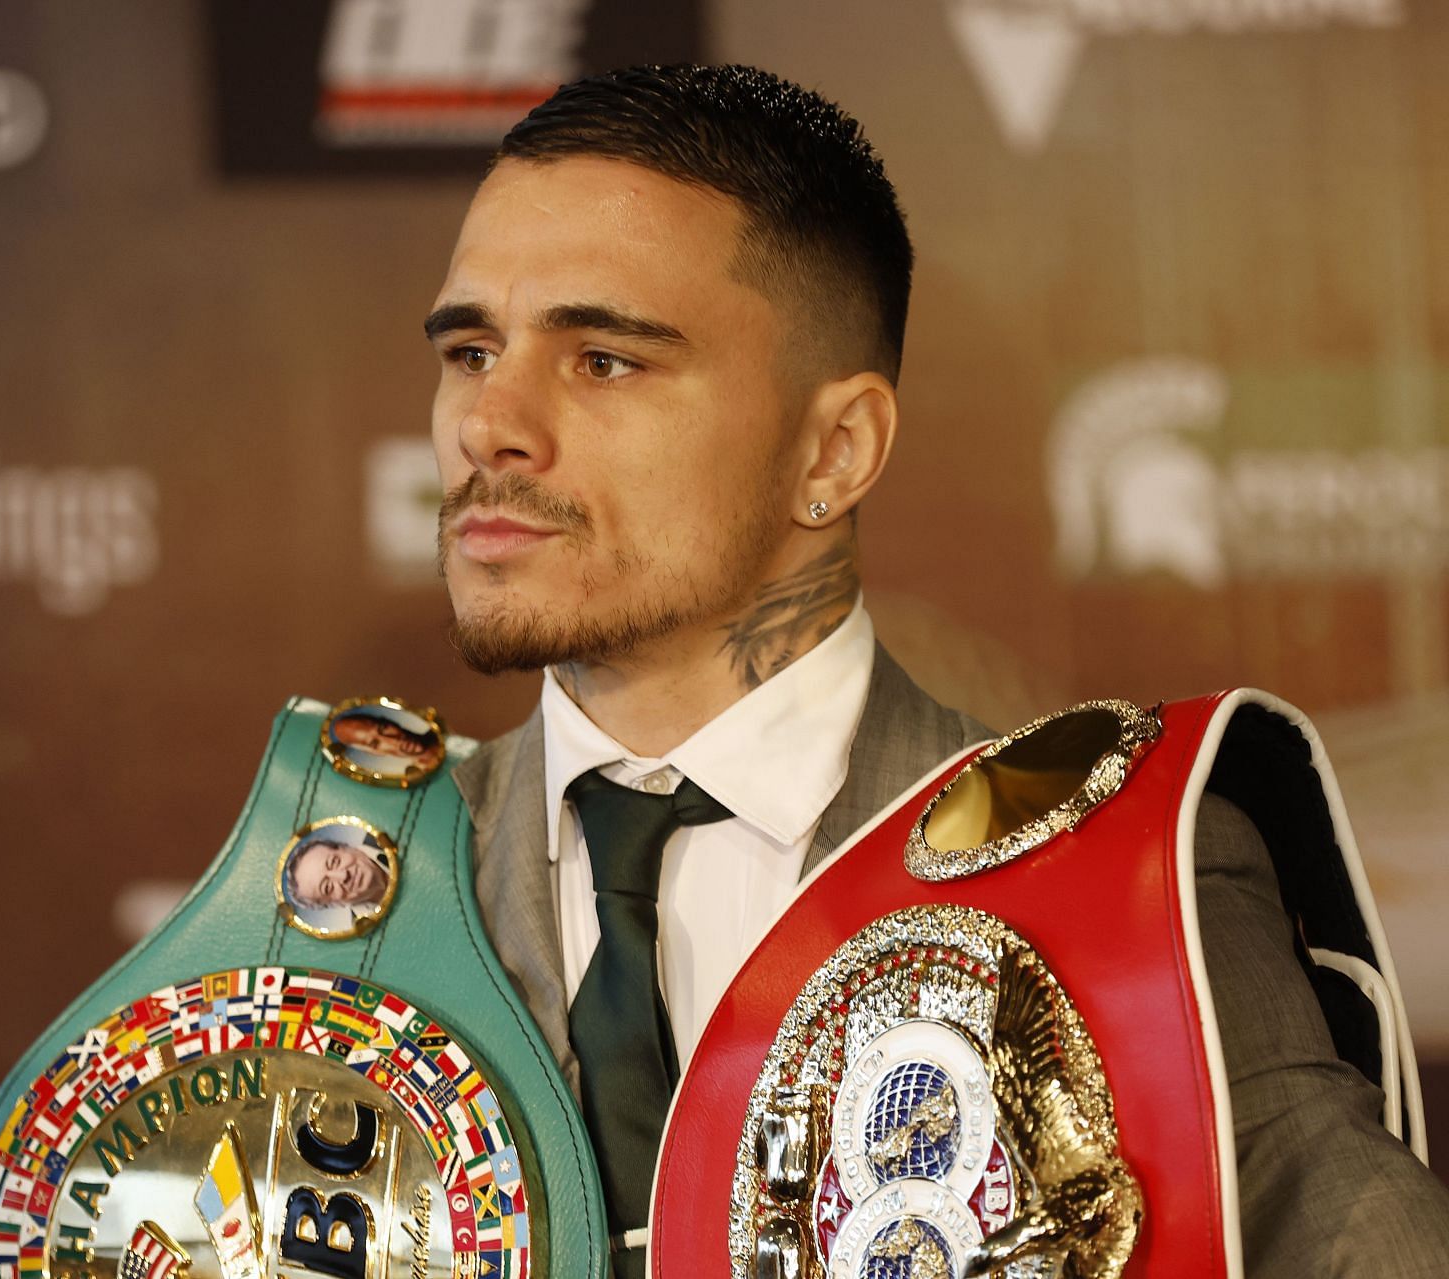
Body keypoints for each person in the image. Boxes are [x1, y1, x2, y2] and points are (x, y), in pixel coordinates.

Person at [423, 64, 1449, 1277]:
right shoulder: (328, 903)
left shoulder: (1124, 884)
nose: (492, 421)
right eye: (472, 348)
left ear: (836, 446)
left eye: (604, 359)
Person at [284, 836, 390, 912]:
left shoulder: (388, 830)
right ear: (333, 904)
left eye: (334, 862)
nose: (343, 876)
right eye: (327, 887)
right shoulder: (363, 937)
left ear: (344, 847)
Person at [331, 711, 443, 773]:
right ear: (374, 753)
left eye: (383, 728)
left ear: (389, 721)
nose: (394, 740)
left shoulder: (443, 727)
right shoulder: (421, 778)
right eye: (375, 743)